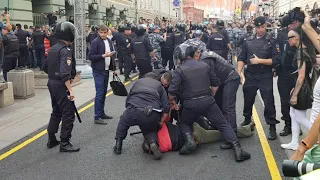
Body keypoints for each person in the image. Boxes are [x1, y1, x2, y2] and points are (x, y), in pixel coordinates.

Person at [168, 44, 250, 162]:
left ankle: (189, 140)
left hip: (190, 104)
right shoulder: (204, 65)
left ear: (181, 56)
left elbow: (172, 91)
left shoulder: (179, 70)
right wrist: (209, 97)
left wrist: (173, 103)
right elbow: (216, 84)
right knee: (223, 124)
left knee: (184, 123)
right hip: (207, 102)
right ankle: (237, 149)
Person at [237, 16, 280, 140]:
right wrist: (239, 72)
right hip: (250, 74)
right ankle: (247, 119)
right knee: (248, 99)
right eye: (258, 27)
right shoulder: (248, 40)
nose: (260, 30)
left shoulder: (271, 40)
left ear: (266, 26)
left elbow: (276, 60)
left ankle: (272, 126)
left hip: (264, 75)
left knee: (269, 102)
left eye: (262, 27)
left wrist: (259, 61)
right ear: (254, 27)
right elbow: (241, 57)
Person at [113, 73, 170, 160]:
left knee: (123, 122)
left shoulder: (138, 82)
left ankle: (118, 144)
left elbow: (128, 100)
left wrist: (129, 111)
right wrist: (160, 122)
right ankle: (153, 143)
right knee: (150, 129)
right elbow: (166, 107)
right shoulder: (159, 86)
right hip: (151, 112)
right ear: (156, 79)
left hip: (134, 109)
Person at [42, 22, 79, 152]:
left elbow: (44, 66)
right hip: (61, 84)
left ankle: (51, 138)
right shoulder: (65, 50)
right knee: (68, 113)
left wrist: (53, 76)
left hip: (52, 82)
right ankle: (65, 142)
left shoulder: (53, 48)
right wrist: (70, 89)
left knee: (56, 110)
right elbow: (65, 73)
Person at [280, 29, 314, 150]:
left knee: (299, 117)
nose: (287, 40)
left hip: (303, 89)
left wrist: (295, 94)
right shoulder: (304, 50)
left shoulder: (300, 52)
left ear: (296, 38)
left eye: (289, 38)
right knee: (293, 114)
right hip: (303, 87)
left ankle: (316, 135)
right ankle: (294, 142)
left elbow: (301, 76)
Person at [88, 25, 115, 124]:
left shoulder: (109, 40)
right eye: (101, 32)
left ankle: (101, 113)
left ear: (108, 32)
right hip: (98, 71)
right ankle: (97, 116)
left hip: (106, 70)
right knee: (99, 93)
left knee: (104, 93)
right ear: (98, 32)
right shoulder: (95, 42)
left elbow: (111, 55)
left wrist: (114, 68)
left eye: (104, 32)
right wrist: (104, 55)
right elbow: (91, 56)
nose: (103, 34)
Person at [276, 16, 296, 136]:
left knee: (296, 101)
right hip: (283, 72)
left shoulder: (300, 35)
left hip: (295, 73)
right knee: (284, 100)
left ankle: (295, 125)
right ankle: (288, 125)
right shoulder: (281, 35)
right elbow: (278, 53)